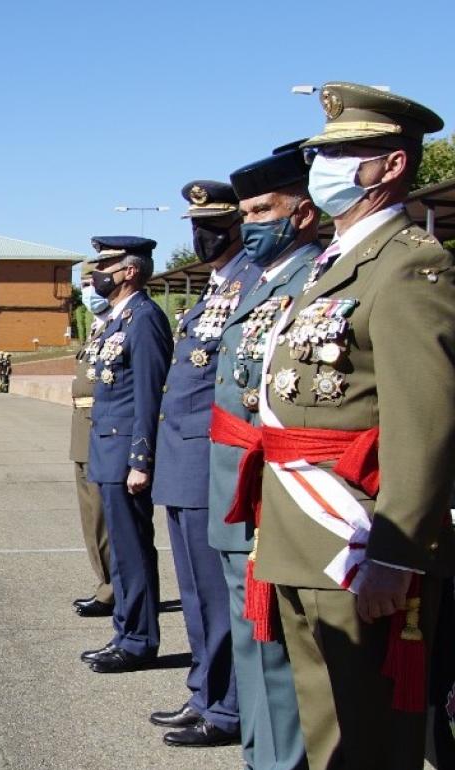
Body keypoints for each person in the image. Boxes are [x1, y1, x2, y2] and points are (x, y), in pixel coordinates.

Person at [254, 82, 453, 770]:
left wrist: (396, 557)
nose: (322, 167)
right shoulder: (331, 268)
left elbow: (424, 423)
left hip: (358, 544)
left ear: (392, 165)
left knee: (368, 743)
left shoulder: (408, 265)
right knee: (329, 734)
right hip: (302, 538)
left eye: (344, 153)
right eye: (319, 153)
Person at [208, 142, 321, 770]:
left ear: (301, 213)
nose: (246, 224)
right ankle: (261, 756)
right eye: (245, 213)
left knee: (275, 651)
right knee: (255, 650)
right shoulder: (262, 283)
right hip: (238, 494)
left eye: (259, 210)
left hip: (272, 494)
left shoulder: (312, 281)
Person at [148, 181, 255, 747]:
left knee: (217, 595)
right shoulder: (214, 290)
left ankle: (228, 707)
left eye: (214, 223)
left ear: (238, 224)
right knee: (194, 592)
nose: (202, 234)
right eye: (194, 224)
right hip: (184, 457)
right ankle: (204, 692)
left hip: (211, 457)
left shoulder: (251, 284)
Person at [79, 236, 172, 674]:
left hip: (125, 455)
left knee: (133, 551)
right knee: (120, 549)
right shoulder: (117, 319)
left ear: (130, 270)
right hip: (106, 449)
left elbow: (150, 394)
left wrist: (141, 459)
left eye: (108, 263)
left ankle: (137, 641)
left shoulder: (144, 318)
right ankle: (125, 631)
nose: (99, 271)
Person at [70, 274, 114, 618]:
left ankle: (114, 589)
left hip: (106, 431)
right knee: (91, 519)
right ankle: (104, 584)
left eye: (92, 281)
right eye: (83, 283)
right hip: (83, 430)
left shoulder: (122, 323)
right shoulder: (98, 327)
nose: (88, 290)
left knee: (105, 518)